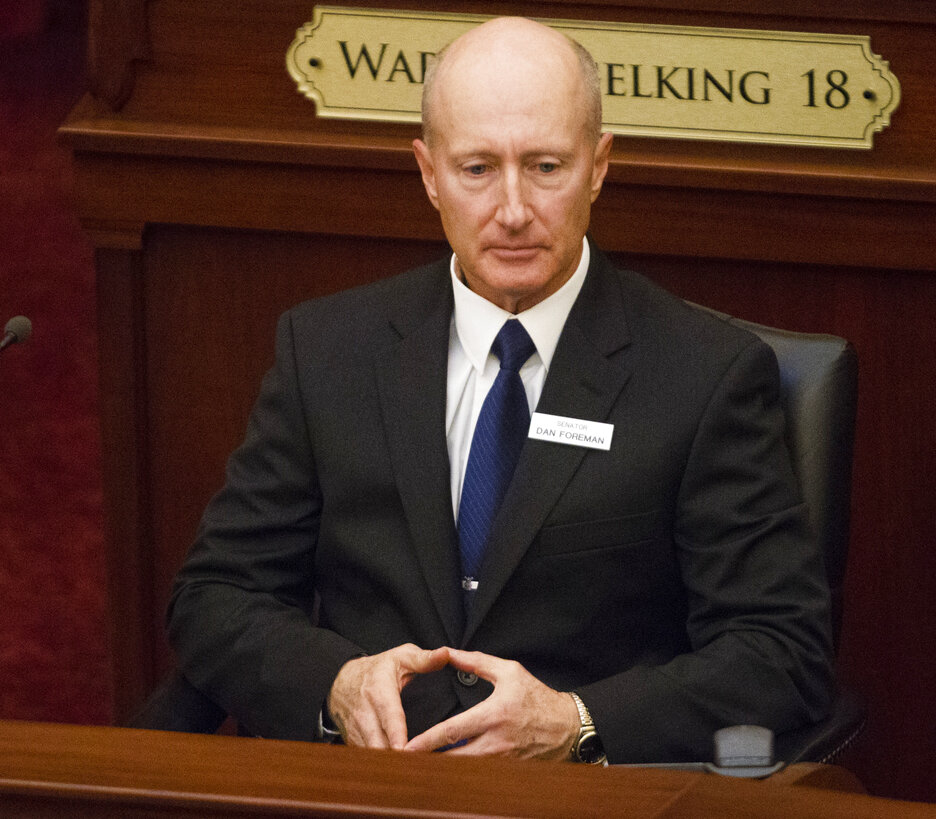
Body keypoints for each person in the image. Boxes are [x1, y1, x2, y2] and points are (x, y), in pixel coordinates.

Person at [167, 16, 833, 764]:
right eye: (477, 169)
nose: (513, 210)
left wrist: (577, 720)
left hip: (583, 803)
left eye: (546, 167)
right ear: (428, 173)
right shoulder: (327, 353)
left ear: (599, 165)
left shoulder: (704, 374)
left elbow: (781, 649)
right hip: (366, 789)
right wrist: (337, 685)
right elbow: (216, 595)